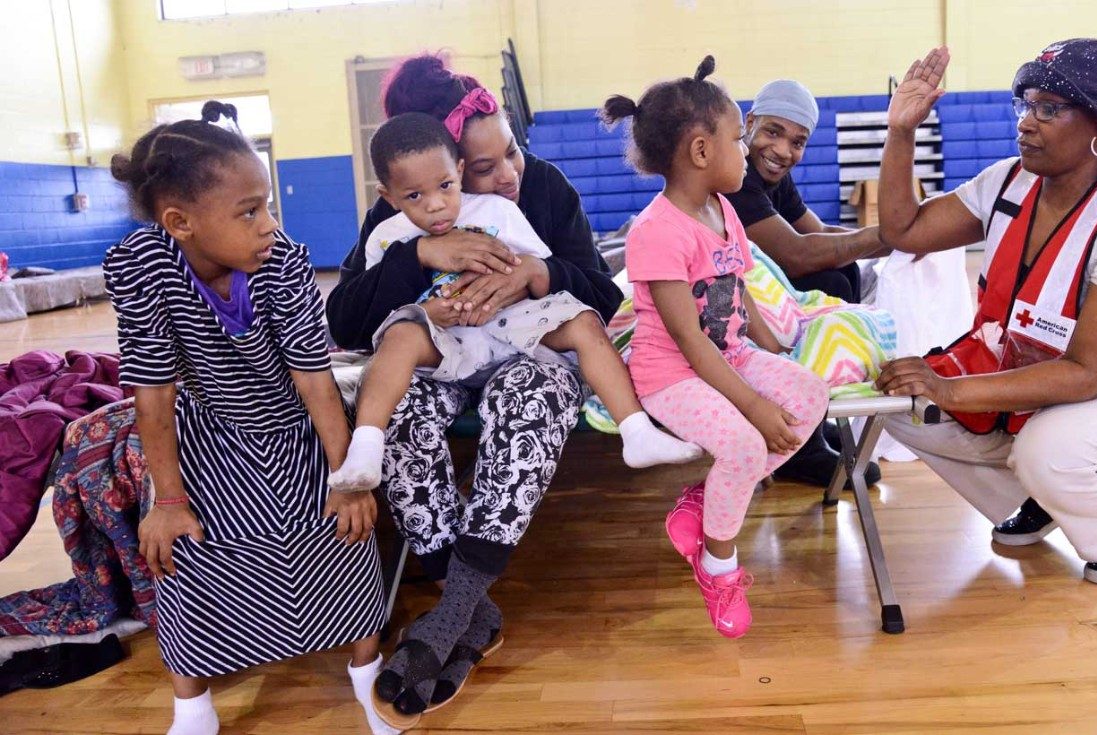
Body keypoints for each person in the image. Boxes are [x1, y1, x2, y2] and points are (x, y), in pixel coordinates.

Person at [324, 52, 624, 725]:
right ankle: (473, 613)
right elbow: (343, 318)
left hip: (521, 348)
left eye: (510, 153)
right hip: (441, 353)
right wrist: (419, 256)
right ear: (445, 169)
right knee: (398, 404)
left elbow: (603, 293)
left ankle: (451, 616)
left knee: (536, 391)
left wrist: (538, 273)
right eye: (483, 168)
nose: (505, 174)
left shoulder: (541, 188)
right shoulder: (411, 207)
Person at [875, 41, 1097, 586]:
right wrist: (901, 132)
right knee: (897, 403)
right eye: (1025, 104)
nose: (1026, 123)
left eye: (1049, 108)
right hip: (1048, 372)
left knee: (1052, 447)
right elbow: (905, 230)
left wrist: (950, 390)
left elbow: (1092, 373)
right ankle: (1048, 498)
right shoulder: (1009, 181)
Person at [104, 102, 391, 735]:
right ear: (179, 223)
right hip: (210, 432)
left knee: (346, 538)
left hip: (297, 426)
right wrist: (169, 498)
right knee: (184, 554)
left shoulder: (283, 261)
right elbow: (153, 397)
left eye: (267, 205)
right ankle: (193, 705)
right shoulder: (142, 267)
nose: (269, 224)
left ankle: (369, 677)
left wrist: (347, 477)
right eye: (250, 211)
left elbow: (315, 381)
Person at [327, 112, 699, 491]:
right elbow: (370, 308)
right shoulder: (386, 235)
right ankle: (365, 447)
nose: (436, 205)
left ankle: (636, 430)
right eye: (415, 195)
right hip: (443, 339)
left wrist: (522, 279)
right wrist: (422, 302)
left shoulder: (497, 210)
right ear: (389, 196)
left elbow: (542, 268)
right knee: (399, 336)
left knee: (583, 320)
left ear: (457, 170)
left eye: (444, 185)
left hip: (507, 326)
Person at [602, 56, 831, 638]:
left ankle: (700, 503)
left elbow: (737, 287)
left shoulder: (724, 208)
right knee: (743, 443)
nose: (746, 149)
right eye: (738, 137)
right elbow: (691, 343)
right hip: (671, 373)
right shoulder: (655, 231)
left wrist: (770, 342)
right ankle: (718, 565)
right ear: (701, 152)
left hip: (727, 356)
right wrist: (752, 405)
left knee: (809, 395)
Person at [724, 79, 888, 489]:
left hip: (756, 294)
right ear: (750, 122)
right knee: (832, 273)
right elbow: (797, 253)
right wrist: (889, 237)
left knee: (842, 270)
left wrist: (890, 237)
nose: (783, 151)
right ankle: (797, 441)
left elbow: (819, 234)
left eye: (797, 142)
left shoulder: (773, 176)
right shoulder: (737, 176)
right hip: (728, 303)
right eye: (773, 132)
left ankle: (809, 414)